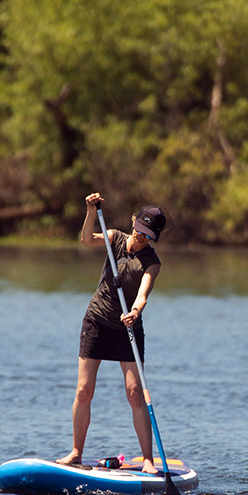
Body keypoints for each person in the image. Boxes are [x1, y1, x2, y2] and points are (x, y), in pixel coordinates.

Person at [56, 194, 167, 473]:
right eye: (140, 230)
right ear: (133, 222)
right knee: (84, 390)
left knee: (134, 393)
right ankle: (76, 453)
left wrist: (136, 310)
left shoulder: (151, 262)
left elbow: (143, 293)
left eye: (148, 235)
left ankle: (148, 461)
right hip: (96, 321)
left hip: (127, 327)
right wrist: (90, 211)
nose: (142, 237)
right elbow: (86, 240)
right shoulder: (114, 238)